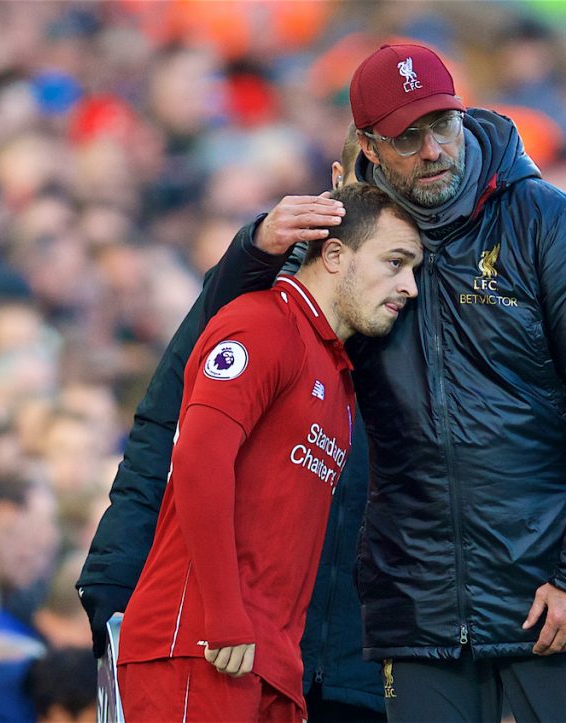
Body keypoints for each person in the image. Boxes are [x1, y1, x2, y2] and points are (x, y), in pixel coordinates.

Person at [212, 42, 566, 721]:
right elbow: (238, 338)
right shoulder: (347, 236)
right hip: (418, 606)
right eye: (407, 136)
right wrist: (255, 247)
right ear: (368, 144)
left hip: (556, 600)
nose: (432, 149)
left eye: (441, 124)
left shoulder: (548, 221)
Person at [78, 127, 389, 721]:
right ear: (334, 184)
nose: (378, 214)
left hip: (343, 655)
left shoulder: (412, 300)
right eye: (366, 188)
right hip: (213, 632)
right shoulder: (260, 295)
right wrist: (116, 573)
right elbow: (171, 427)